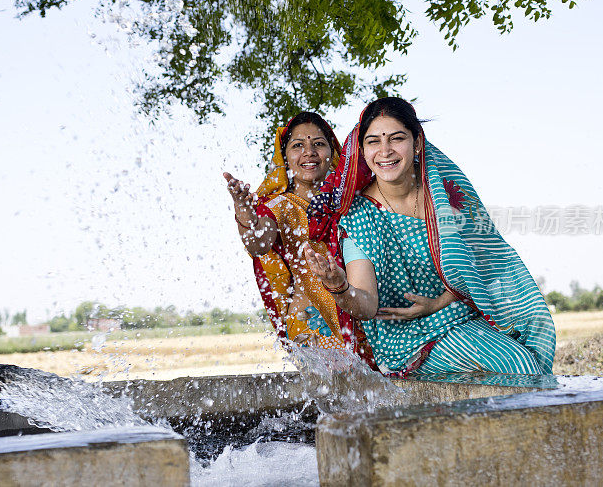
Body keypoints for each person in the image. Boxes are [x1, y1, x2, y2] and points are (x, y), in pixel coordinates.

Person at [304, 97, 555, 376]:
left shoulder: (444, 194)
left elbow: (484, 262)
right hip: (406, 338)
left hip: (461, 313)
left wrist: (440, 302)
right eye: (373, 142)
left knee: (537, 328)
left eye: (396, 138)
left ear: (417, 143)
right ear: (362, 152)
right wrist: (339, 286)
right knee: (515, 365)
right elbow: (367, 304)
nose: (385, 151)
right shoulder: (359, 215)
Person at [223, 112, 372, 359]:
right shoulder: (277, 206)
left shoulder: (352, 201)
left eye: (318, 144)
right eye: (297, 145)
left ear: (333, 153)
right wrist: (244, 212)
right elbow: (259, 243)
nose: (309, 151)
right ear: (285, 159)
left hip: (362, 315)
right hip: (311, 325)